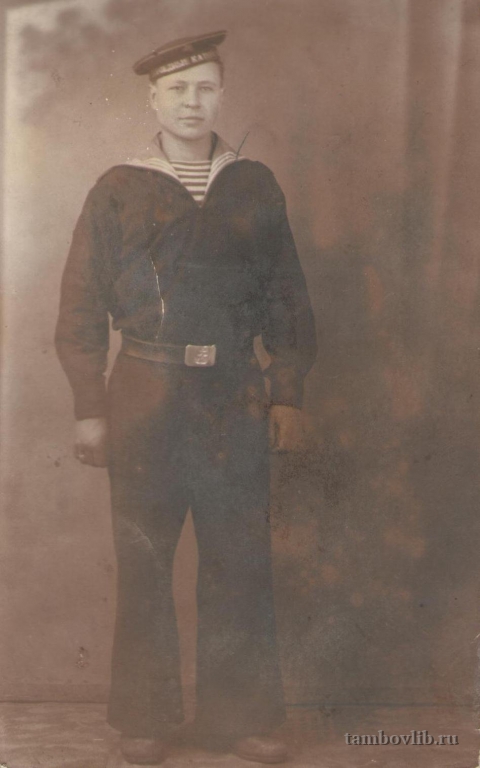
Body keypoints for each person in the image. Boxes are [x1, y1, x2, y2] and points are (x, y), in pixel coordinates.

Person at [55, 30, 317, 766]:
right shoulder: (117, 187)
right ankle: (145, 720)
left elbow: (287, 296)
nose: (191, 102)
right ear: (153, 99)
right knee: (143, 561)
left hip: (234, 395)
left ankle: (241, 719)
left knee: (239, 557)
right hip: (144, 393)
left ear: (222, 95)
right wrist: (90, 407)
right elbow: (80, 307)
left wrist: (287, 392)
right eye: (177, 89)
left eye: (204, 88)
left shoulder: (253, 184)